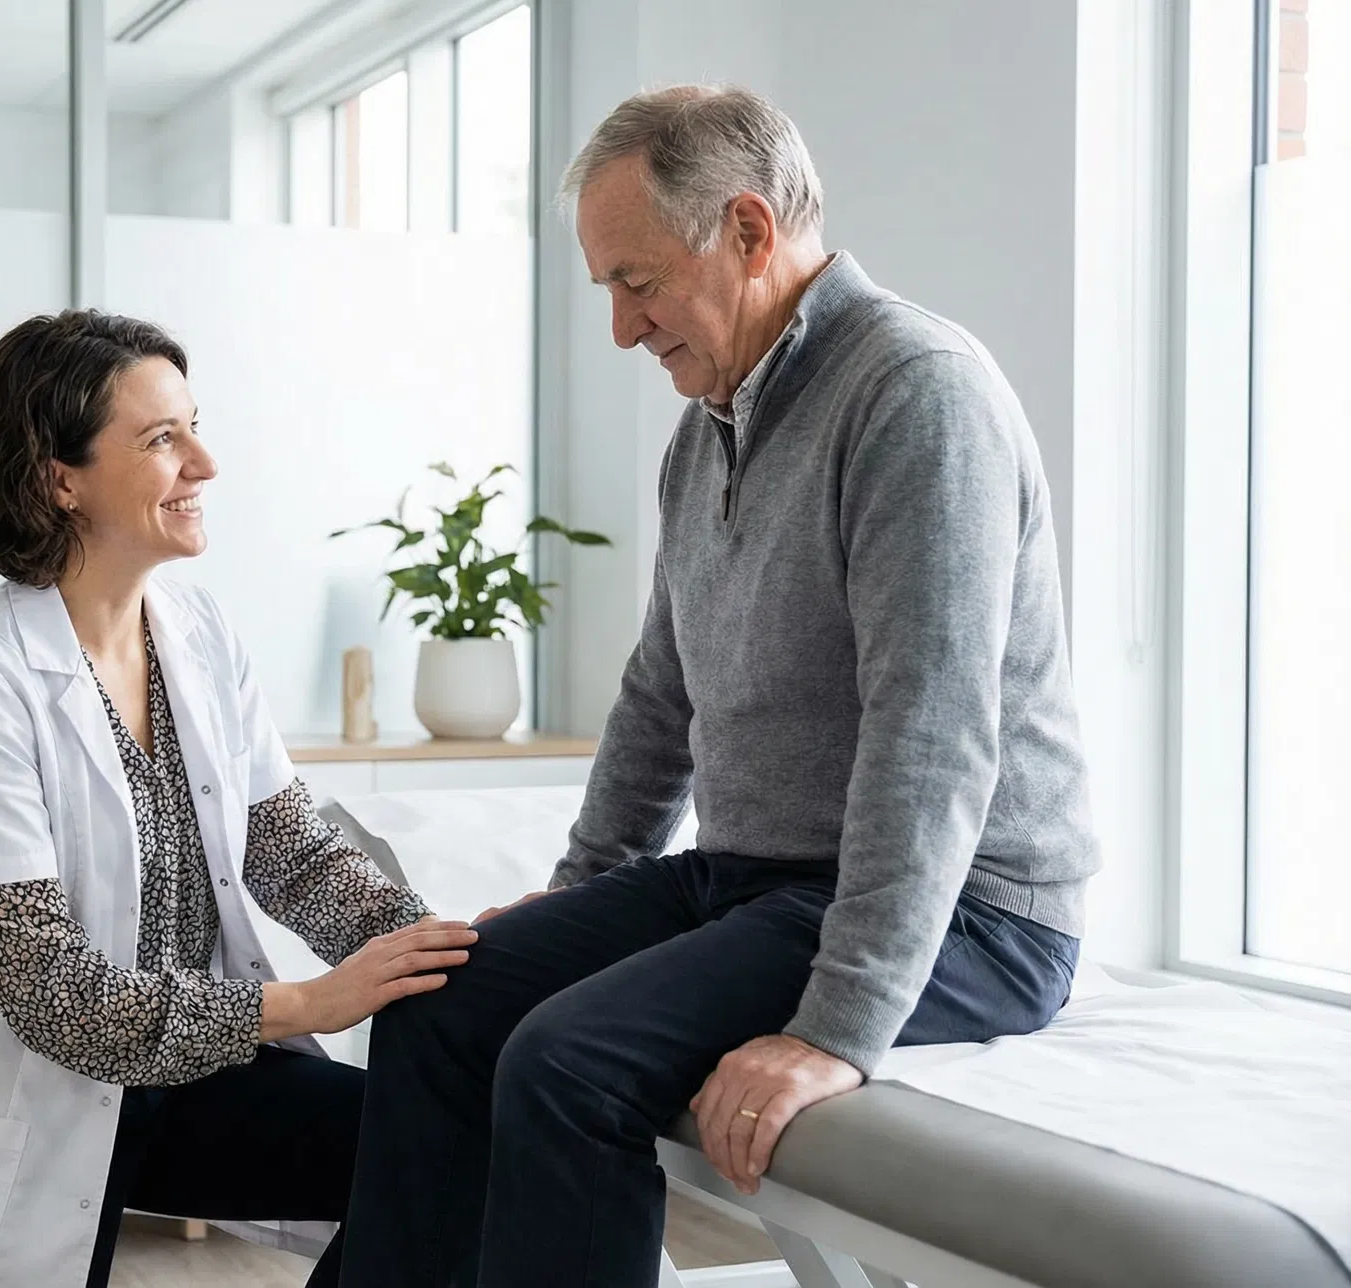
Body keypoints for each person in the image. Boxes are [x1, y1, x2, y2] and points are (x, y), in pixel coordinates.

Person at [339, 85, 1100, 1287]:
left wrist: (837, 1029)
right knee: (444, 1005)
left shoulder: (917, 393)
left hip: (973, 913)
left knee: (566, 1061)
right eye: (606, 290)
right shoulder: (709, 430)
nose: (622, 330)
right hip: (755, 880)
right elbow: (660, 699)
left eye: (636, 281)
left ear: (749, 231)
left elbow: (934, 736)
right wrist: (567, 909)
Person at [0, 310, 478, 1288]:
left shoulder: (198, 631)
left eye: (194, 425)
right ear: (60, 477)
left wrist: (439, 951)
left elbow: (289, 851)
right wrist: (308, 1000)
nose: (204, 462)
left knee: (446, 1156)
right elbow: (54, 994)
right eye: (163, 438)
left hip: (186, 1076)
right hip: (32, 1096)